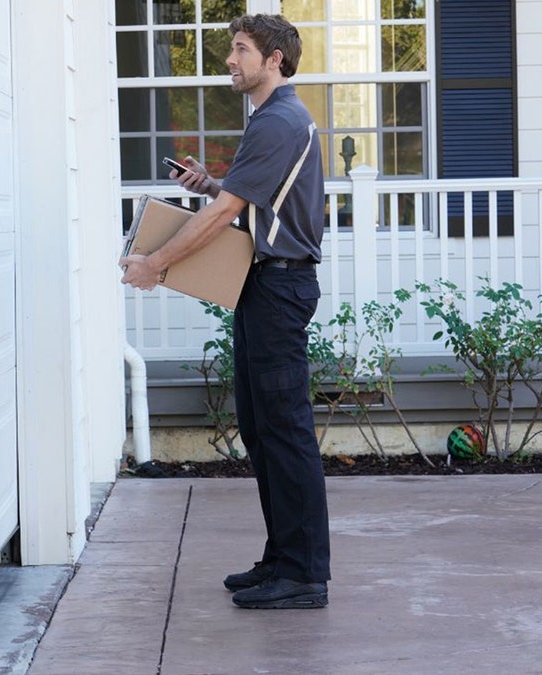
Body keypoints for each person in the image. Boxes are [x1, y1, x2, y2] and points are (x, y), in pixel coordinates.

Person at [119, 13, 330, 609]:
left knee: (284, 433)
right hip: (263, 285)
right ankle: (283, 559)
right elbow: (246, 206)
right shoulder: (273, 120)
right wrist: (212, 185)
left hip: (278, 289)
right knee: (265, 433)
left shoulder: (279, 119)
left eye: (240, 50)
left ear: (275, 60)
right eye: (232, 49)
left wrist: (155, 261)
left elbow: (220, 221)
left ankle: (304, 575)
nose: (230, 61)